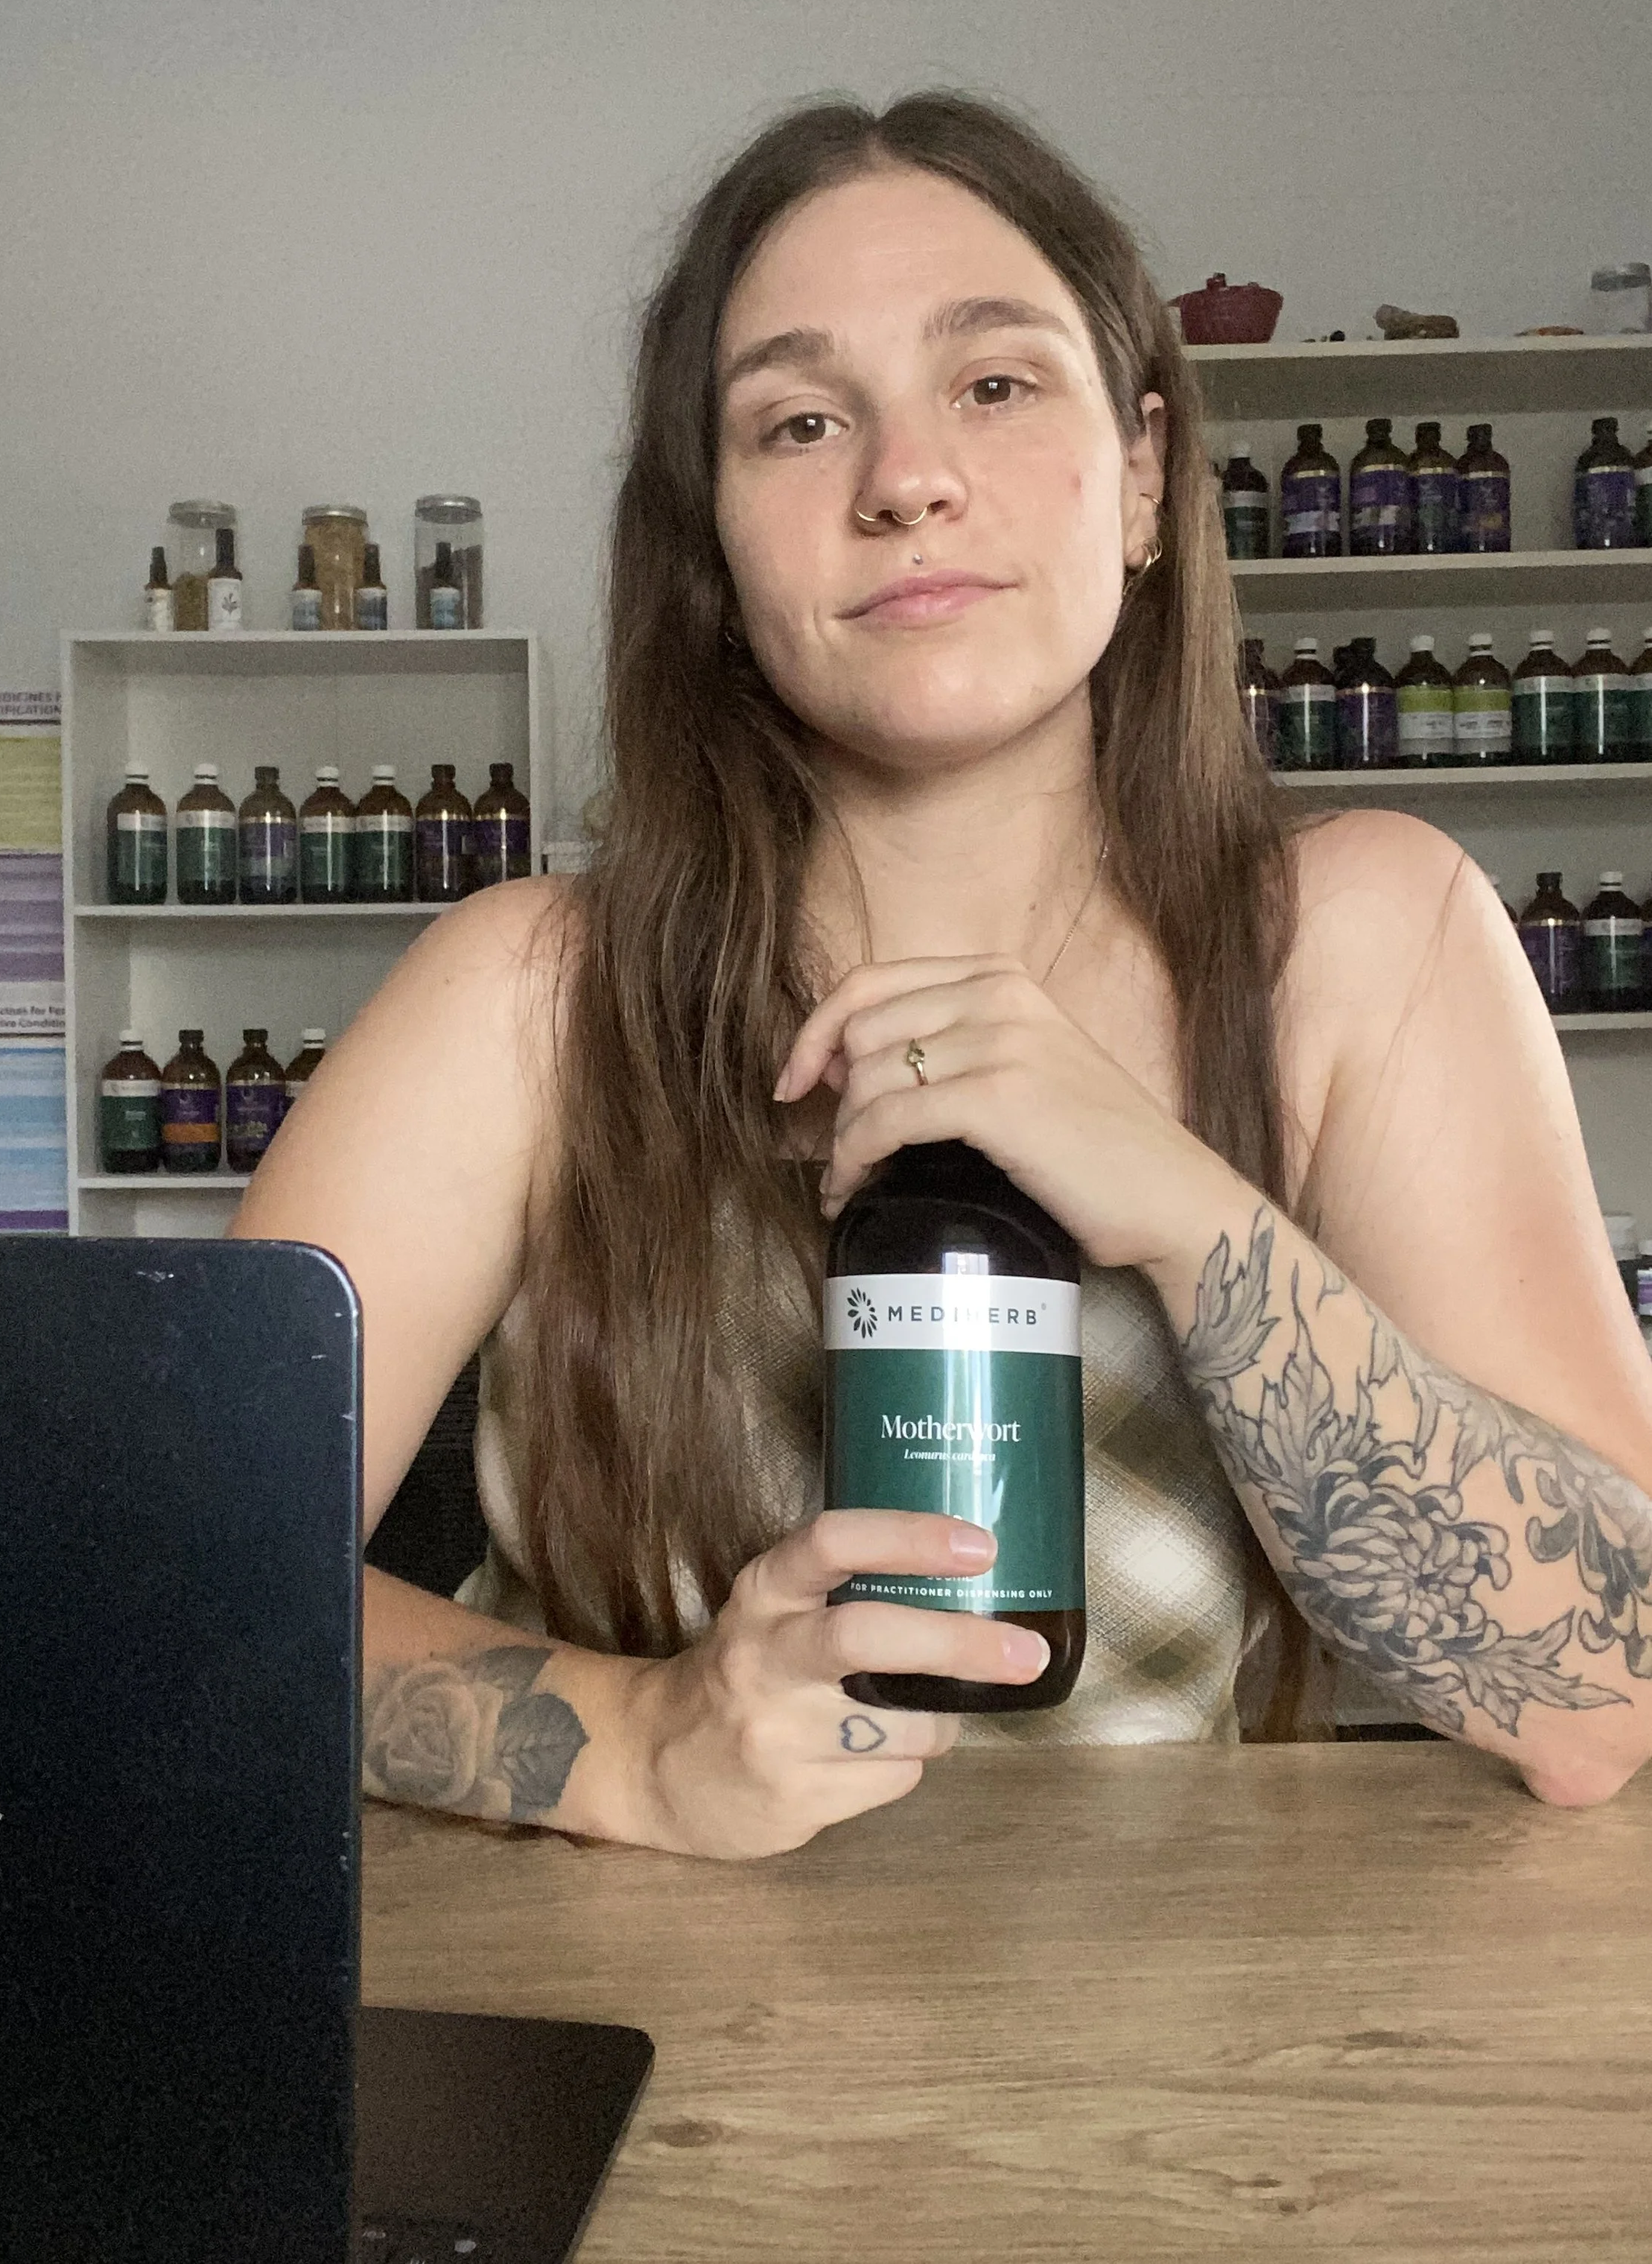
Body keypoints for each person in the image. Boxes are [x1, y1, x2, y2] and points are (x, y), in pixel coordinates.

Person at [234, 92, 1652, 1856]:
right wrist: (638, 1743)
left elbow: (1606, 1699)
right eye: (798, 419)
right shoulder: (528, 993)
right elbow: (164, 1597)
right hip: (636, 2041)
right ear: (713, 547)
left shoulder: (1360, 942)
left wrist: (1186, 1212)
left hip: (1188, 2074)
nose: (903, 476)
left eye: (992, 383)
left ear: (1141, 476)